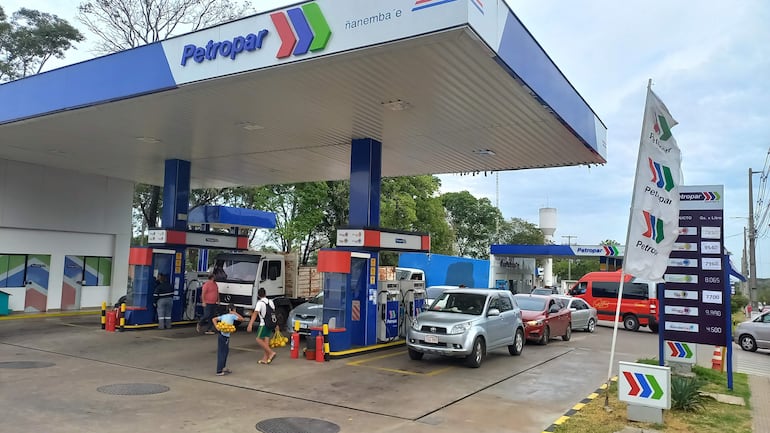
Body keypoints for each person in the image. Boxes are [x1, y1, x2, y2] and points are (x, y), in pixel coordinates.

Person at [247, 288, 277, 364]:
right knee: (266, 340)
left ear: (258, 295)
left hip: (263, 324)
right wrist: (276, 324)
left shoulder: (259, 303)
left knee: (258, 339)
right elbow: (273, 312)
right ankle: (265, 358)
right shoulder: (270, 301)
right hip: (270, 323)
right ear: (265, 294)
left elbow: (255, 313)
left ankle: (271, 353)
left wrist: (250, 324)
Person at [211, 304, 243, 376]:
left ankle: (223, 367)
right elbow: (241, 319)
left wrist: (217, 327)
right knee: (222, 353)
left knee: (225, 352)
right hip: (224, 336)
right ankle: (219, 370)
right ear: (232, 310)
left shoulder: (223, 316)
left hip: (222, 335)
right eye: (235, 309)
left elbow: (214, 319)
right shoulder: (232, 316)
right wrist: (234, 313)